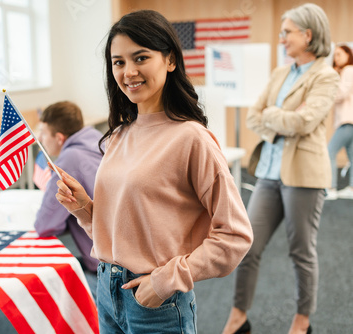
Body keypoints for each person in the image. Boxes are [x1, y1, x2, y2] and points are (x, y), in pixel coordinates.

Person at [51, 10, 253, 333]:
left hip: (156, 301)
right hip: (106, 289)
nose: (129, 72)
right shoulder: (118, 134)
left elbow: (236, 237)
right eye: (118, 62)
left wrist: (166, 280)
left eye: (140, 58)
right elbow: (126, 232)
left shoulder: (191, 138)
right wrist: (84, 209)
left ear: (170, 60)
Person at [222, 4, 339, 334]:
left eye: (287, 32)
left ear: (308, 35)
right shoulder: (280, 73)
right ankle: (238, 316)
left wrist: (273, 115)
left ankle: (302, 321)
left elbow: (304, 122)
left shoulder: (326, 76)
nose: (282, 38)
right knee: (247, 247)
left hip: (304, 177)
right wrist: (279, 117)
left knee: (301, 252)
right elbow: (253, 116)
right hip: (268, 175)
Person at [33, 101, 103, 293]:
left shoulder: (69, 159)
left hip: (106, 266)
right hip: (131, 253)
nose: (40, 138)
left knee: (49, 287)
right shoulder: (99, 138)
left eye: (44, 133)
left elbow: (44, 226)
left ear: (59, 138)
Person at [325, 44, 353, 200]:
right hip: (349, 120)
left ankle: (331, 188)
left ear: (348, 55)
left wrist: (334, 79)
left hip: (347, 120)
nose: (336, 58)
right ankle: (351, 188)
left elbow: (341, 93)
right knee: (352, 155)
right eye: (335, 55)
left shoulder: (348, 70)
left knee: (330, 151)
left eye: (340, 54)